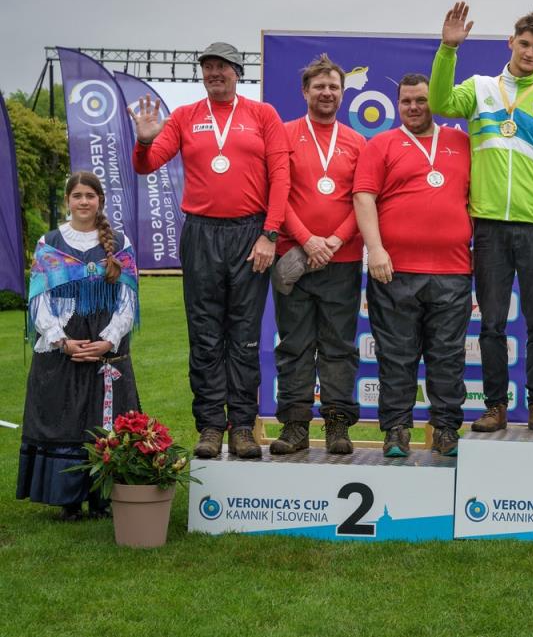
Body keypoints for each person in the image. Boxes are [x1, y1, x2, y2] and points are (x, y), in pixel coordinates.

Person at [431, 2, 533, 435]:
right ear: (510, 43)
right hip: (489, 227)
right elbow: (440, 102)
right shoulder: (480, 88)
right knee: (492, 324)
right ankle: (495, 406)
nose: (529, 53)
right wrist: (448, 50)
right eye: (524, 44)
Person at [130, 41, 290, 459]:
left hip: (250, 233)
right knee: (204, 334)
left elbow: (281, 177)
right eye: (208, 67)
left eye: (222, 66)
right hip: (201, 233)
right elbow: (147, 164)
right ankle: (210, 427)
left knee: (244, 336)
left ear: (237, 72)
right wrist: (144, 141)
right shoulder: (185, 116)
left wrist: (270, 234)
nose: (215, 73)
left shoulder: (263, 115)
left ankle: (242, 426)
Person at [355, 73, 472, 457]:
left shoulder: (461, 142)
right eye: (406, 101)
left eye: (421, 100)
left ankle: (446, 430)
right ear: (397, 104)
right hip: (394, 271)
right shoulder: (381, 144)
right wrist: (375, 250)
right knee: (396, 356)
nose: (414, 107)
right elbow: (364, 197)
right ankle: (396, 431)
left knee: (448, 356)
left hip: (452, 270)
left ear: (433, 101)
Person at [17, 171, 140, 520]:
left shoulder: (120, 243)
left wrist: (108, 340)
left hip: (106, 346)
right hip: (64, 346)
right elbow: (39, 299)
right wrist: (61, 341)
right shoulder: (50, 243)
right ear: (67, 201)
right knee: (64, 418)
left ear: (100, 200)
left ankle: (102, 498)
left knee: (105, 421)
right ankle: (67, 499)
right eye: (77, 196)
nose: (83, 201)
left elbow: (128, 301)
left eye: (90, 195)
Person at [269, 54, 366, 456]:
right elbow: (278, 193)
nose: (327, 93)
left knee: (339, 345)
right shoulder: (284, 135)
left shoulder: (357, 142)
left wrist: (335, 241)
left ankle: (337, 424)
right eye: (319, 87)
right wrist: (308, 240)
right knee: (294, 345)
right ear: (304, 91)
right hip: (294, 257)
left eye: (333, 87)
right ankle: (294, 426)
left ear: (342, 94)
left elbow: (363, 201)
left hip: (342, 261)